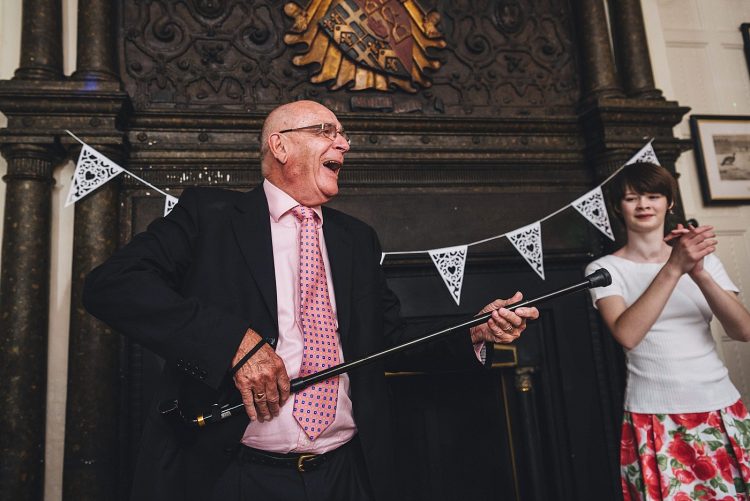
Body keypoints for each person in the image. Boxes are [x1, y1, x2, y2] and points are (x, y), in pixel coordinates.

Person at [83, 100, 539, 501]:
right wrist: (234, 344)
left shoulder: (356, 239)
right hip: (235, 474)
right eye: (327, 131)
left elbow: (390, 338)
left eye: (343, 135)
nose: (344, 144)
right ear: (279, 146)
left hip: (347, 472)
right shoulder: (210, 216)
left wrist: (474, 331)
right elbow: (112, 284)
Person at [585, 161, 750, 501]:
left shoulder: (701, 260)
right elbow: (627, 335)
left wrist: (699, 272)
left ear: (669, 203)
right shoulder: (605, 269)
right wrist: (675, 266)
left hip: (720, 406)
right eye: (632, 198)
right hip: (655, 415)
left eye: (653, 196)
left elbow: (743, 330)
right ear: (618, 207)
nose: (643, 205)